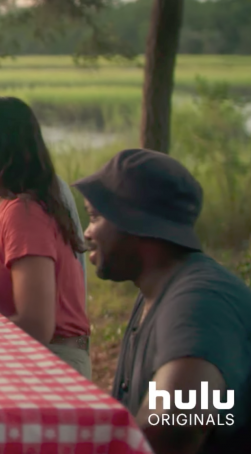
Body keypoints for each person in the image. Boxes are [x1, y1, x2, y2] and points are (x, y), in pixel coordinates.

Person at [75, 149, 251, 454]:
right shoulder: (154, 292)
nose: (88, 233)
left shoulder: (200, 300)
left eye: (95, 217)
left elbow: (176, 423)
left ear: (135, 223)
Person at [0, 95, 91, 377]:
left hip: (52, 363)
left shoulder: (23, 213)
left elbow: (36, 326)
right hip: (20, 354)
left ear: (0, 144)